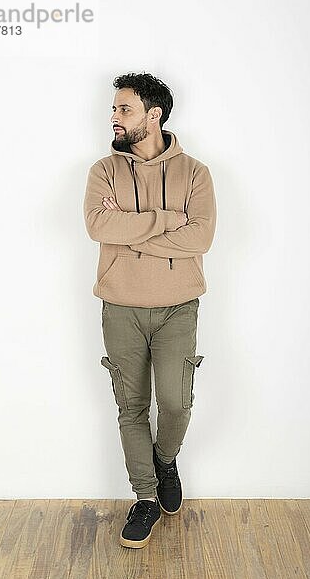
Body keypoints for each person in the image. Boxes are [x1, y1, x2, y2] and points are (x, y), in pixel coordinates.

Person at [83, 72, 217, 549]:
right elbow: (100, 225)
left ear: (153, 115)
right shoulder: (103, 170)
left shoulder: (195, 172)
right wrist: (166, 221)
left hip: (178, 306)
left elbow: (200, 237)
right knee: (131, 407)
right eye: (115, 109)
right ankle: (145, 497)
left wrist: (132, 227)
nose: (114, 117)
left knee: (177, 402)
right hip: (120, 306)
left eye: (124, 109)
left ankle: (165, 459)